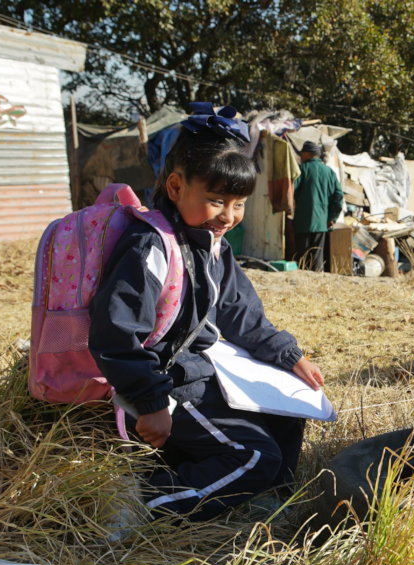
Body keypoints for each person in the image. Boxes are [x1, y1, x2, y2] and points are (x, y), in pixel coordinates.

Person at [89, 103, 325, 522]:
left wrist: (288, 355)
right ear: (176, 187)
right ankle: (141, 500)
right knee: (254, 454)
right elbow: (116, 333)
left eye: (239, 204)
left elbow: (241, 311)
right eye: (217, 200)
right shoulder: (152, 247)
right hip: (166, 379)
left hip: (203, 371)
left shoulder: (212, 243)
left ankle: (263, 495)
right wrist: (151, 401)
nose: (229, 216)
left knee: (288, 412)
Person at [292, 140, 343, 271]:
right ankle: (316, 281)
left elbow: (291, 191)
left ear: (308, 154)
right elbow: (338, 196)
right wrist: (332, 217)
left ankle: (304, 281)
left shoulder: (301, 170)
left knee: (303, 257)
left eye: (302, 153)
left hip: (303, 222)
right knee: (317, 256)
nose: (300, 156)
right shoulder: (329, 172)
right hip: (322, 223)